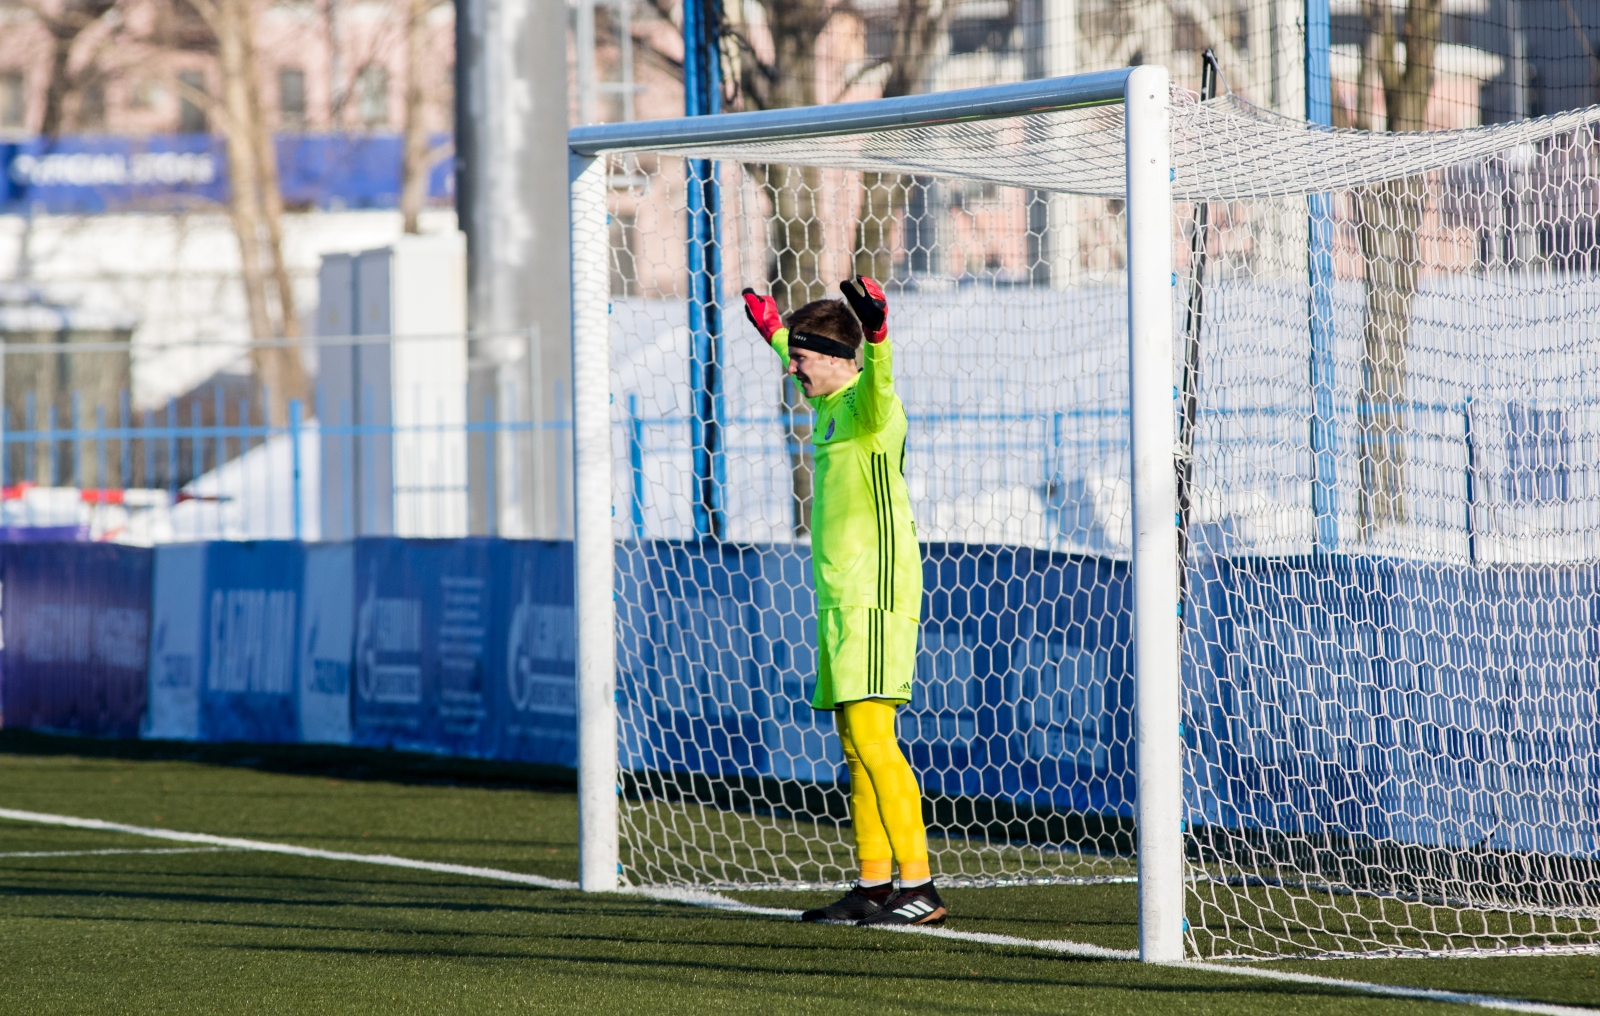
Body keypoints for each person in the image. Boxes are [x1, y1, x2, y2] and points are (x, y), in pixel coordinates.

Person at [741, 277, 946, 927]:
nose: (793, 368)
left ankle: (921, 887)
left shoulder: (866, 403)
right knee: (855, 746)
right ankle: (874, 885)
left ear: (835, 358)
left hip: (875, 595)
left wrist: (878, 334)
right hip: (840, 597)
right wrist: (775, 333)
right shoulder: (829, 401)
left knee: (874, 738)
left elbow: (877, 377)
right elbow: (806, 350)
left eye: (801, 359)